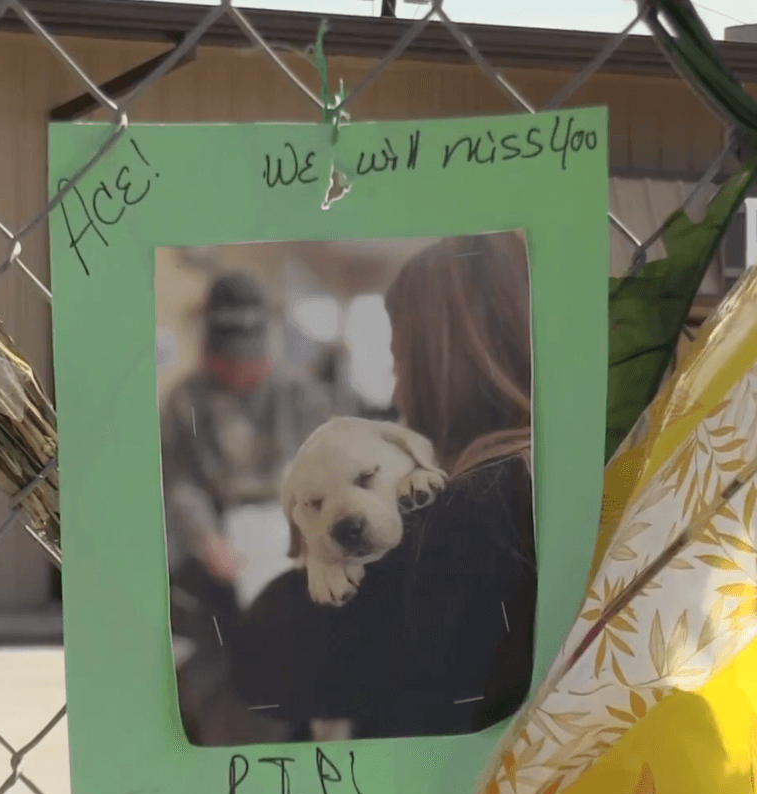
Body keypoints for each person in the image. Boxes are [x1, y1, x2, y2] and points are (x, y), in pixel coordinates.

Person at [232, 233, 537, 739]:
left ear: (445, 366)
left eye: (399, 366)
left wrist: (318, 559)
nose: (397, 392)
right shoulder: (542, 476)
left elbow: (261, 661)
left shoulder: (476, 512)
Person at [160, 272, 334, 746]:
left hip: (299, 566)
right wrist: (207, 540)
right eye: (226, 361)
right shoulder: (184, 403)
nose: (238, 373)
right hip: (215, 581)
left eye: (249, 361)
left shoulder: (304, 399)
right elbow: (180, 485)